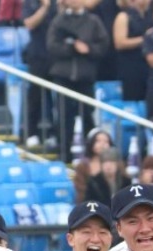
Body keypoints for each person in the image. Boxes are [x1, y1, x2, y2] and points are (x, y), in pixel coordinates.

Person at [47, 0, 110, 153]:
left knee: (87, 114)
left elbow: (103, 46)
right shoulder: (59, 20)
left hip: (85, 76)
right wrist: (71, 47)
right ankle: (64, 151)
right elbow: (51, 46)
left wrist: (88, 49)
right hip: (63, 76)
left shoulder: (93, 21)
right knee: (63, 116)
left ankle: (90, 152)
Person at [23, 0, 58, 146]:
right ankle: (32, 132)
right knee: (35, 96)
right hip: (37, 55)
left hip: (57, 56)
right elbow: (30, 24)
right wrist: (44, 7)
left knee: (57, 99)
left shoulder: (59, 3)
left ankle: (54, 133)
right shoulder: (30, 3)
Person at [113, 0, 153, 102]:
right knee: (132, 100)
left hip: (149, 68)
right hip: (130, 67)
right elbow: (119, 43)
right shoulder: (124, 16)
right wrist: (144, 39)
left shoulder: (152, 16)